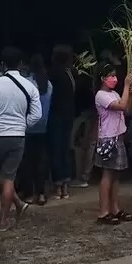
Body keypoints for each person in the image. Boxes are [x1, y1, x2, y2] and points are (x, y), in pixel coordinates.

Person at [0, 46, 42, 231]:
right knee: (8, 177)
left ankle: (9, 215)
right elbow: (37, 115)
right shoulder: (30, 86)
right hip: (17, 136)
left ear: (2, 64)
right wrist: (24, 124)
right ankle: (7, 217)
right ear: (21, 64)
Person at [93, 62, 132, 225]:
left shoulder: (115, 94)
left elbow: (127, 109)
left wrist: (129, 92)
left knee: (116, 175)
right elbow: (121, 106)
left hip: (118, 136)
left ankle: (115, 208)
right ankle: (103, 211)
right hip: (108, 138)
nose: (114, 79)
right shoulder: (101, 95)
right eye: (111, 76)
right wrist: (126, 87)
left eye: (115, 75)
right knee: (108, 175)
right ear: (103, 78)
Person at [19, 54, 53, 205]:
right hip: (43, 126)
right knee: (41, 160)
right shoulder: (49, 84)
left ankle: (27, 193)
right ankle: (41, 193)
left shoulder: (27, 83)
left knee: (27, 160)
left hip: (27, 126)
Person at [47, 45, 76, 200]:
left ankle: (58, 186)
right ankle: (65, 185)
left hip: (56, 116)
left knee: (56, 150)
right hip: (68, 116)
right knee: (65, 150)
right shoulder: (69, 73)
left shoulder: (53, 73)